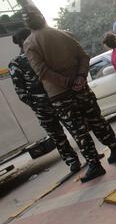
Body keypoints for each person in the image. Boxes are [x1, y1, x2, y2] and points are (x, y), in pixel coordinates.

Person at [22, 5, 116, 183]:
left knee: (78, 130)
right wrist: (80, 77)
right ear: (42, 17)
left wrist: (67, 83)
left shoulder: (30, 43)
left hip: (60, 95)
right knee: (96, 120)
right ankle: (115, 150)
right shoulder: (63, 34)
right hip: (81, 88)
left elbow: (43, 72)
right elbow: (83, 56)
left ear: (28, 24)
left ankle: (95, 164)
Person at [8, 28, 81, 173]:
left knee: (74, 129)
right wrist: (38, 104)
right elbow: (21, 92)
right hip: (49, 104)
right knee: (60, 135)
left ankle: (87, 156)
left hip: (57, 99)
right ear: (24, 41)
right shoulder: (16, 63)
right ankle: (74, 161)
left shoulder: (41, 54)